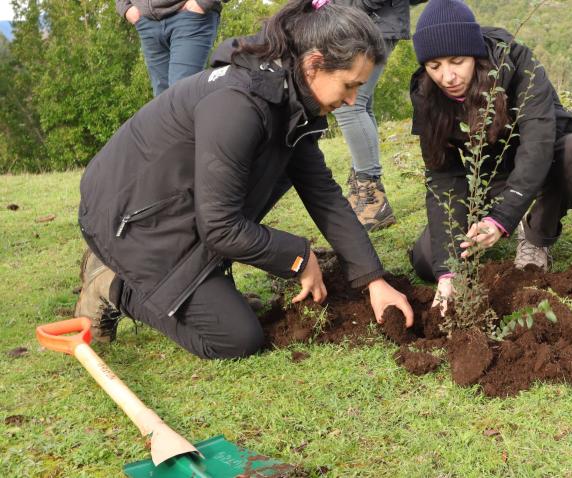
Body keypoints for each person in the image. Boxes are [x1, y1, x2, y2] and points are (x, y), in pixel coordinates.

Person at [75, 0, 414, 359]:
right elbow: (220, 226)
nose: (352, 100)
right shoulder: (240, 103)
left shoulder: (289, 99)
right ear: (314, 64)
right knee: (235, 338)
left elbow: (323, 193)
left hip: (175, 212)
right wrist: (298, 257)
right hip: (130, 220)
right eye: (349, 85)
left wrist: (373, 279)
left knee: (234, 316)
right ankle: (110, 284)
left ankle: (200, 280)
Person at [407, 0, 572, 309]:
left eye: (457, 61)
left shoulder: (519, 64)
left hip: (548, 163)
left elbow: (537, 145)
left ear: (474, 52)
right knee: (428, 261)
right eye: (435, 67)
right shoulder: (426, 93)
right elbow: (443, 175)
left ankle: (536, 233)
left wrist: (501, 220)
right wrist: (447, 272)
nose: (447, 77)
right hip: (488, 180)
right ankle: (473, 247)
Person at [332, 0, 426, 232]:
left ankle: (371, 197)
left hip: (370, 21)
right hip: (367, 21)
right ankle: (363, 192)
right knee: (361, 104)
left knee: (349, 104)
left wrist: (356, 8)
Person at [116, 0, 225, 96]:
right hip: (147, 23)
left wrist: (202, 3)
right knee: (161, 102)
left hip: (190, 18)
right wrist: (125, 7)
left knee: (181, 96)